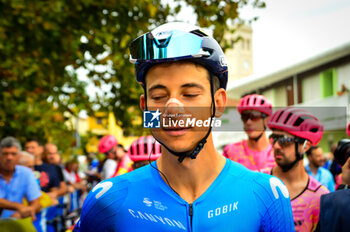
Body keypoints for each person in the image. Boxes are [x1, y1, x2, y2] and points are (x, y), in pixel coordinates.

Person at [74, 22, 294, 231]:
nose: (173, 109)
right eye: (159, 96)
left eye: (189, 94)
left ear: (218, 103)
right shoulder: (108, 201)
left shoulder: (266, 195)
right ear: (145, 107)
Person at [267, 108, 329, 232]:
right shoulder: (258, 183)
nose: (276, 146)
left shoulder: (320, 196)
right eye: (274, 138)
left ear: (305, 146)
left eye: (284, 139)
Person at [223, 94, 275, 172]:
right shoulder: (231, 151)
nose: (248, 122)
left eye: (254, 116)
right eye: (245, 117)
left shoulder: (277, 150)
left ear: (267, 120)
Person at [0, 136, 41, 220]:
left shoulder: (26, 173)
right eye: (5, 154)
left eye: (13, 154)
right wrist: (18, 206)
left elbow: (36, 203)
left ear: (19, 156)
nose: (9, 158)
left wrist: (28, 211)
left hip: (17, 223)